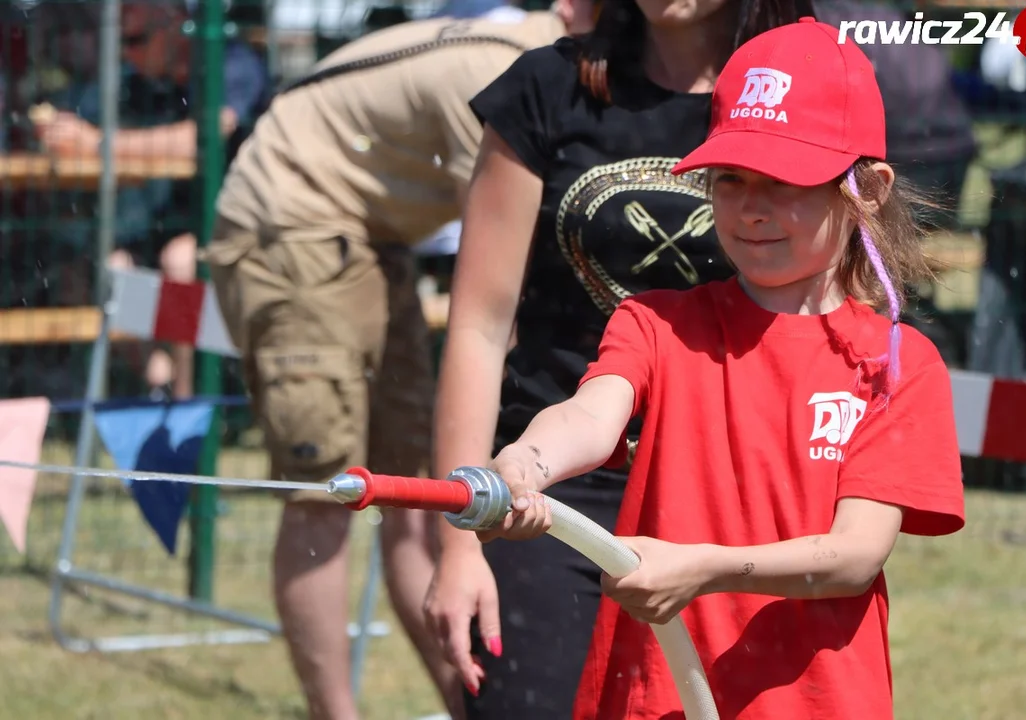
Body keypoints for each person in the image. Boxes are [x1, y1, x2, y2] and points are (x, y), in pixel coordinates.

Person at [465, 18, 967, 719]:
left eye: (785, 180)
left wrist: (704, 569)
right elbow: (589, 415)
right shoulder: (657, 323)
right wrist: (526, 463)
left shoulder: (896, 363)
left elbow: (855, 556)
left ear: (869, 189)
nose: (751, 208)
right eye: (730, 179)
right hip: (657, 699)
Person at [423, 0, 812, 716]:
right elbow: (479, 324)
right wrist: (460, 544)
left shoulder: (805, 93)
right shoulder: (547, 88)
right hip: (552, 498)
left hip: (739, 502)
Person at [202, 6, 591, 720]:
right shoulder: (513, 74)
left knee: (420, 496)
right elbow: (510, 292)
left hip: (373, 238)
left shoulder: (548, 59)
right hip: (289, 224)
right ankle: (335, 713)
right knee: (324, 495)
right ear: (574, 11)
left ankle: (473, 701)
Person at [32, 0, 269, 397]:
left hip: (247, 224)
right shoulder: (135, 78)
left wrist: (98, 143)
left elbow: (205, 137)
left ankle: (189, 408)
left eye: (135, 40)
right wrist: (64, 134)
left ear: (175, 25)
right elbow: (88, 126)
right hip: (170, 221)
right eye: (120, 42)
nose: (126, 52)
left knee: (179, 262)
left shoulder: (231, 60)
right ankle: (162, 381)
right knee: (109, 266)